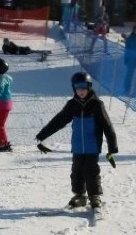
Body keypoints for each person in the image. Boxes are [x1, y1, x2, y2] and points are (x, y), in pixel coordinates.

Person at [35, 72, 118, 209]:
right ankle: (80, 196)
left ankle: (94, 197)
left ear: (89, 87)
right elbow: (58, 121)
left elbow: (107, 125)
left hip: (92, 146)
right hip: (78, 146)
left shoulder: (97, 104)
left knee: (91, 171)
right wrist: (42, 135)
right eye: (77, 88)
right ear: (74, 88)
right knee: (76, 172)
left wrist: (112, 147)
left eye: (83, 87)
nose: (80, 91)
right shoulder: (72, 104)